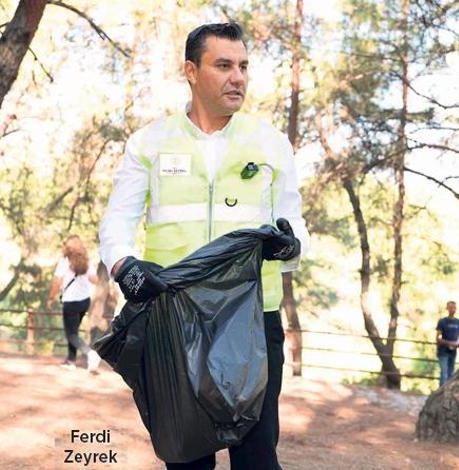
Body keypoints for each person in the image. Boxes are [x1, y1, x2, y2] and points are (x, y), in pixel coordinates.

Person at [99, 22, 309, 470]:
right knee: (187, 459)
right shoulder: (150, 143)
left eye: (244, 67)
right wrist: (123, 266)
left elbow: (297, 232)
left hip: (252, 320)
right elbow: (117, 221)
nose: (238, 77)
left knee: (256, 456)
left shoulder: (271, 144)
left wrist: (289, 246)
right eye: (224, 65)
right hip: (176, 322)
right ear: (191, 71)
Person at [47, 235, 101, 373]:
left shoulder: (64, 261)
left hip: (71, 302)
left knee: (71, 334)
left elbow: (57, 283)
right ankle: (71, 361)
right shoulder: (87, 262)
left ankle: (90, 354)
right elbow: (95, 280)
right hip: (84, 301)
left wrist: (51, 298)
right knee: (74, 331)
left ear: (67, 248)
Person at [435, 300, 459, 386]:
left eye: (454, 308)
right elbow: (438, 338)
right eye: (450, 308)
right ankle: (441, 392)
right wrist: (450, 343)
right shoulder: (442, 321)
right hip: (443, 351)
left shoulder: (458, 322)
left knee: (451, 373)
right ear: (447, 308)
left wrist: (458, 343)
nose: (452, 310)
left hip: (453, 352)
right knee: (444, 373)